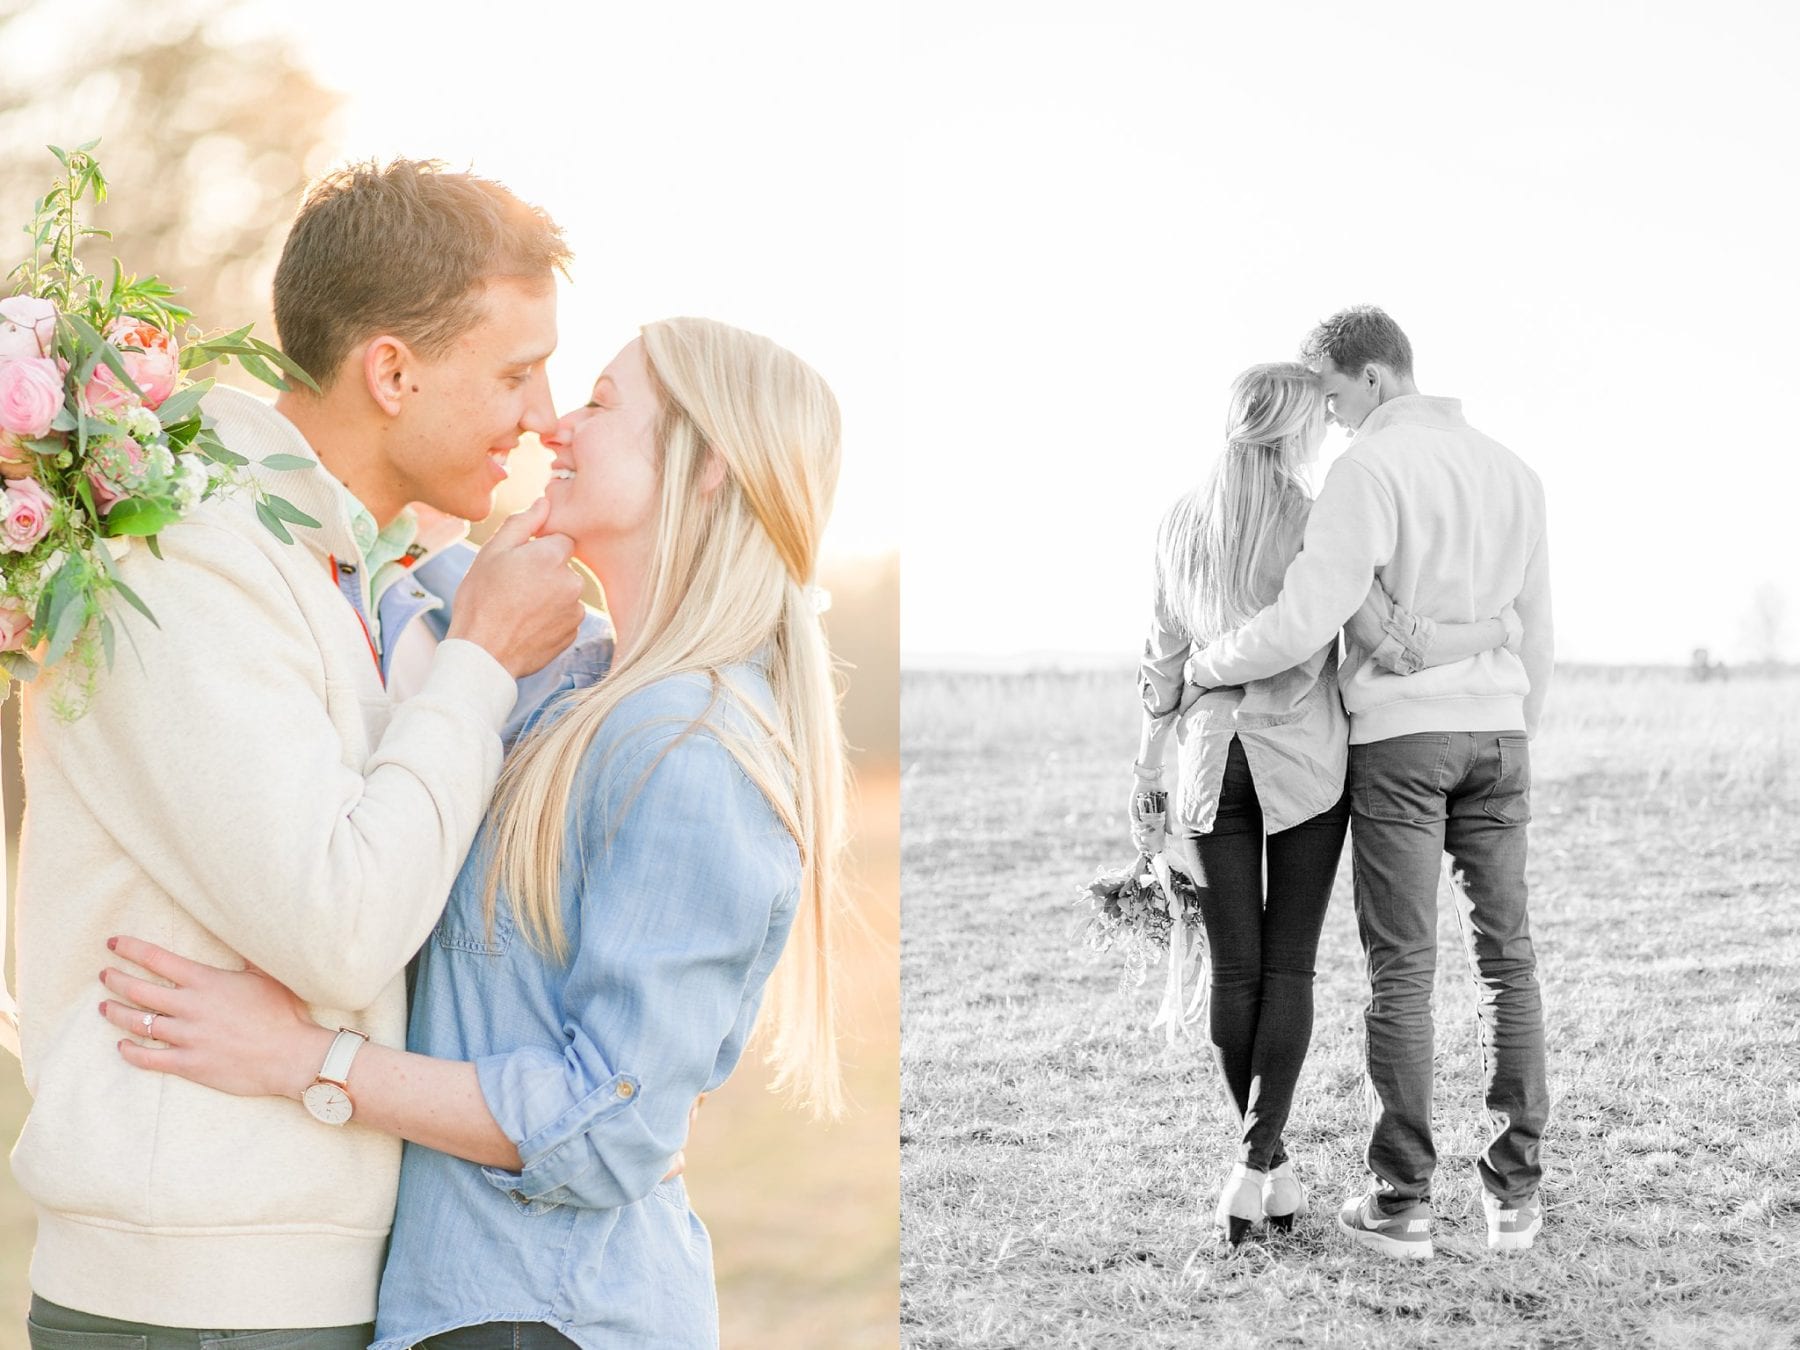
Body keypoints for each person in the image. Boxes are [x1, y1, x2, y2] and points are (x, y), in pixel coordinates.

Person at [97, 317, 849, 1348]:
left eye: (600, 403)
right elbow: (393, 556)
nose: (556, 428)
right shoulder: (582, 678)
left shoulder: (687, 747)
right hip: (473, 1309)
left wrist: (306, 1059)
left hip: (543, 1318)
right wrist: (106, 447)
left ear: (708, 465)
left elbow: (610, 1127)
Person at [13, 161, 590, 1347]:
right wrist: (480, 660)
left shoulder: (330, 560)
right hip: (203, 1298)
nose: (542, 417)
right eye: (517, 374)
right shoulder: (188, 555)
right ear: (392, 370)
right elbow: (339, 924)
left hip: (295, 1275)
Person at [1179, 307, 1553, 1260]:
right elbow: (1535, 629)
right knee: (1509, 963)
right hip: (1500, 736)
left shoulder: (1367, 471)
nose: (1332, 420)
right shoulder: (1515, 472)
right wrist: (1512, 720)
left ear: (1373, 378)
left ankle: (1404, 1201)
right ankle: (1513, 1197)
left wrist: (1207, 665)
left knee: (1403, 972)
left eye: (1338, 397)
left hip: (1398, 741)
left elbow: (1308, 620)